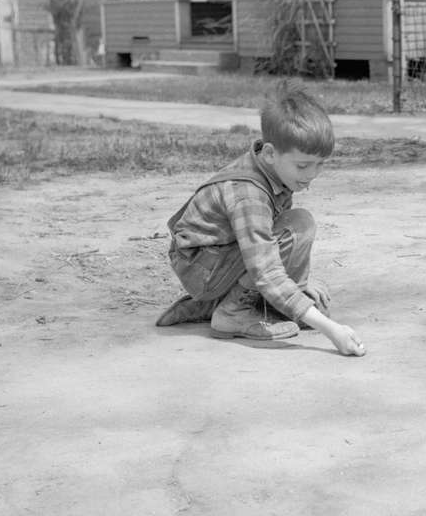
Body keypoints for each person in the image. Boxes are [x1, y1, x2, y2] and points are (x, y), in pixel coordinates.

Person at [155, 87, 366, 357]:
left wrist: (299, 286)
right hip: (203, 268)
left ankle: (221, 304)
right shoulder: (248, 196)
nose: (312, 174)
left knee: (301, 235)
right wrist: (331, 330)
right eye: (303, 166)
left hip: (222, 257)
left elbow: (269, 232)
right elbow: (264, 266)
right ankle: (232, 312)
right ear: (269, 153)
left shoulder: (276, 169)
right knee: (298, 226)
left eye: (320, 164)